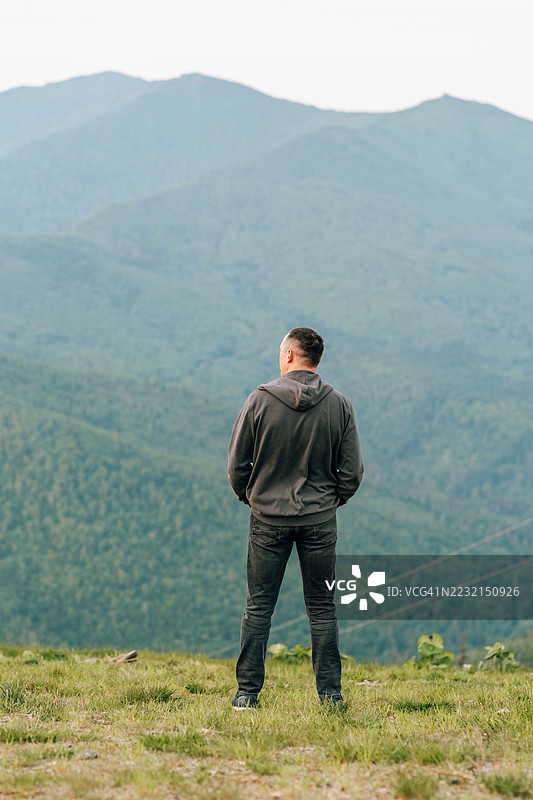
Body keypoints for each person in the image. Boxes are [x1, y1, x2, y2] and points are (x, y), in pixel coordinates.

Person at [227, 327, 364, 709]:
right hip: (319, 520)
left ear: (289, 356)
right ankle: (331, 696)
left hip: (267, 519)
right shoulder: (339, 404)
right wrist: (330, 502)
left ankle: (247, 694)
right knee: (322, 607)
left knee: (259, 606)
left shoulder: (259, 401)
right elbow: (352, 471)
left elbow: (237, 465)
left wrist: (252, 498)